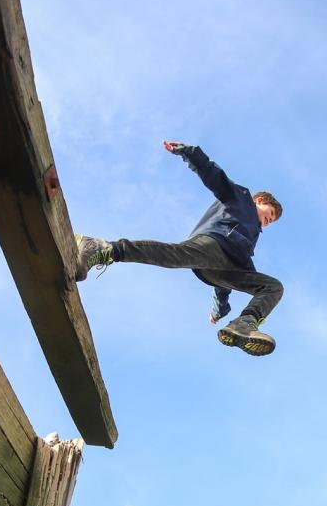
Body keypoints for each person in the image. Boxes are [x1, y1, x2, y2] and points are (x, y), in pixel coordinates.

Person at [74, 140, 284, 356]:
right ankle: (103, 248)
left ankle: (244, 324)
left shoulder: (250, 240)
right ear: (259, 200)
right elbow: (215, 178)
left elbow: (228, 280)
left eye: (270, 222)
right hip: (214, 243)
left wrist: (219, 309)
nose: (266, 223)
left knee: (273, 287)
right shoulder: (241, 199)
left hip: (222, 265)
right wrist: (189, 153)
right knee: (174, 255)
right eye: (268, 216)